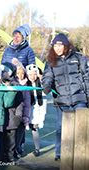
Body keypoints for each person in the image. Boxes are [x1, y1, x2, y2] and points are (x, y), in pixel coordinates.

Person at [42, 33, 89, 161]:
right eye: (55, 46)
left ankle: (81, 153)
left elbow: (86, 78)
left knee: (81, 126)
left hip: (79, 97)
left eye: (60, 46)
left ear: (66, 46)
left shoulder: (79, 58)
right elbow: (47, 77)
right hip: (61, 99)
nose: (57, 48)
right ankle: (60, 152)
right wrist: (46, 85)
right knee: (61, 126)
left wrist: (88, 97)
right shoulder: (51, 61)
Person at [0, 63, 24, 162]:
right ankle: (0, 154)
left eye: (4, 72)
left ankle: (10, 154)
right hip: (0, 116)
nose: (1, 74)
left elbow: (20, 102)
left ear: (9, 73)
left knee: (11, 138)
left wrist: (18, 115)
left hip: (12, 116)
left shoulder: (15, 85)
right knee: (0, 137)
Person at [11, 58, 31, 158]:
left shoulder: (26, 86)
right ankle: (12, 149)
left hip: (22, 113)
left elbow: (27, 103)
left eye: (22, 73)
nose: (20, 76)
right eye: (18, 73)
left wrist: (26, 116)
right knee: (13, 133)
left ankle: (18, 148)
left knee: (20, 132)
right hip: (13, 112)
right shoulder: (12, 84)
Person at [26, 64, 47, 157]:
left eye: (34, 74)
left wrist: (41, 117)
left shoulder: (40, 85)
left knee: (35, 129)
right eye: (30, 75)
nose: (32, 77)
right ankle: (19, 147)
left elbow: (43, 103)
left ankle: (37, 148)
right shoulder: (24, 85)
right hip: (26, 113)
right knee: (21, 131)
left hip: (36, 113)